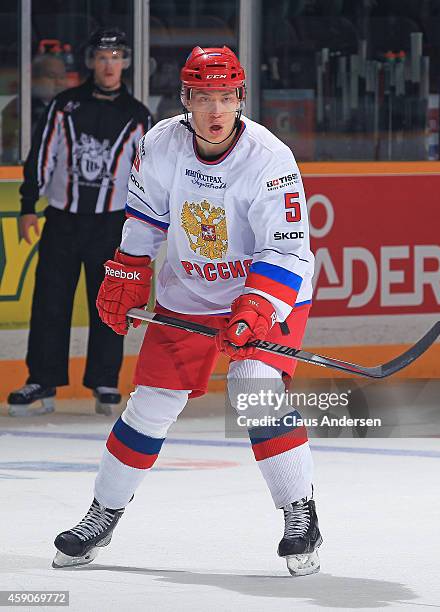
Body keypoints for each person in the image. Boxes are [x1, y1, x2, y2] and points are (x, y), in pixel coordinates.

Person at [52, 46, 322, 576]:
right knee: (150, 404)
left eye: (226, 97)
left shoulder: (270, 159)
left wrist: (254, 308)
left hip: (269, 290)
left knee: (252, 388)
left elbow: (286, 248)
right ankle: (102, 513)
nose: (216, 111)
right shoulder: (159, 143)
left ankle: (300, 512)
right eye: (204, 98)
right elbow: (146, 219)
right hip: (189, 295)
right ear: (186, 100)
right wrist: (129, 272)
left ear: (240, 98)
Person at [7, 28, 152, 417]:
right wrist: (26, 206)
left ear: (125, 62)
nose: (109, 64)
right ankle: (42, 379)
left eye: (116, 56)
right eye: (102, 57)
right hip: (63, 220)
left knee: (109, 304)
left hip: (111, 225)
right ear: (91, 62)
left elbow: (148, 175)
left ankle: (105, 381)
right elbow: (42, 156)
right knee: (50, 301)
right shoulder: (65, 104)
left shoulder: (138, 115)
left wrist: (151, 225)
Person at [1, 53, 67, 164]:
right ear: (33, 79)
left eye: (62, 77)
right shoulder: (20, 107)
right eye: (51, 76)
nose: (58, 82)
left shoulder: (70, 107)